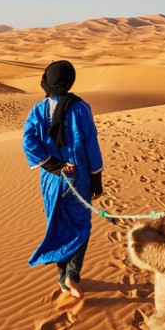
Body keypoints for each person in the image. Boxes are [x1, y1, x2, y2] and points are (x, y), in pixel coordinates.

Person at [22, 60, 104, 299]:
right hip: (78, 179)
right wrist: (96, 179)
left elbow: (28, 142)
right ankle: (72, 274)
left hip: (51, 181)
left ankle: (62, 279)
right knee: (80, 226)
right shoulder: (81, 109)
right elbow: (90, 145)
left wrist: (53, 165)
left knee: (58, 225)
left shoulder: (37, 110)